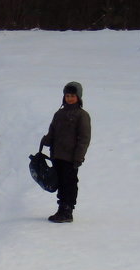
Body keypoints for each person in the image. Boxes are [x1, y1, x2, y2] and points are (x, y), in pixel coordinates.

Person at [40, 81, 91, 223]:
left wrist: (78, 157)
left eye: (72, 96)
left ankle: (68, 210)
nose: (69, 98)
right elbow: (53, 131)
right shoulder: (59, 113)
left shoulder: (82, 115)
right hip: (57, 155)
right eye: (67, 96)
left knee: (69, 183)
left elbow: (84, 139)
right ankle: (61, 208)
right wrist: (46, 140)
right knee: (60, 183)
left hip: (71, 157)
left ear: (78, 97)